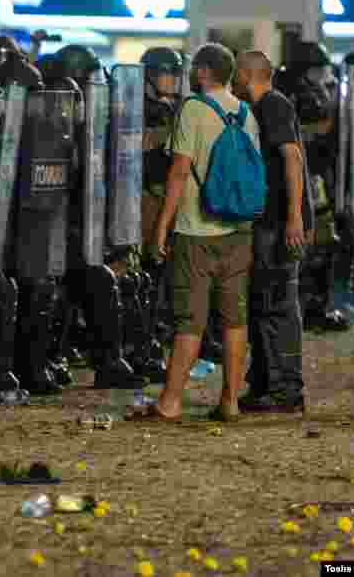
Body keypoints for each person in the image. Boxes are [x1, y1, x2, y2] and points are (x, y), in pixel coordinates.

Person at [134, 43, 260, 422]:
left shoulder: (193, 109)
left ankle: (170, 403)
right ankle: (230, 402)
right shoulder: (244, 112)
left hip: (196, 231)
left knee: (190, 320)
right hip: (238, 230)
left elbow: (177, 172)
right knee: (235, 320)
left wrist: (160, 228)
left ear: (203, 72)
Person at [234, 50, 311, 413]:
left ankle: (285, 389)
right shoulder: (265, 106)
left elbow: (292, 157)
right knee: (263, 304)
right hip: (271, 223)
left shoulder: (273, 105)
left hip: (279, 225)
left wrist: (294, 216)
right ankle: (266, 383)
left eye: (235, 74)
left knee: (276, 306)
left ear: (247, 75)